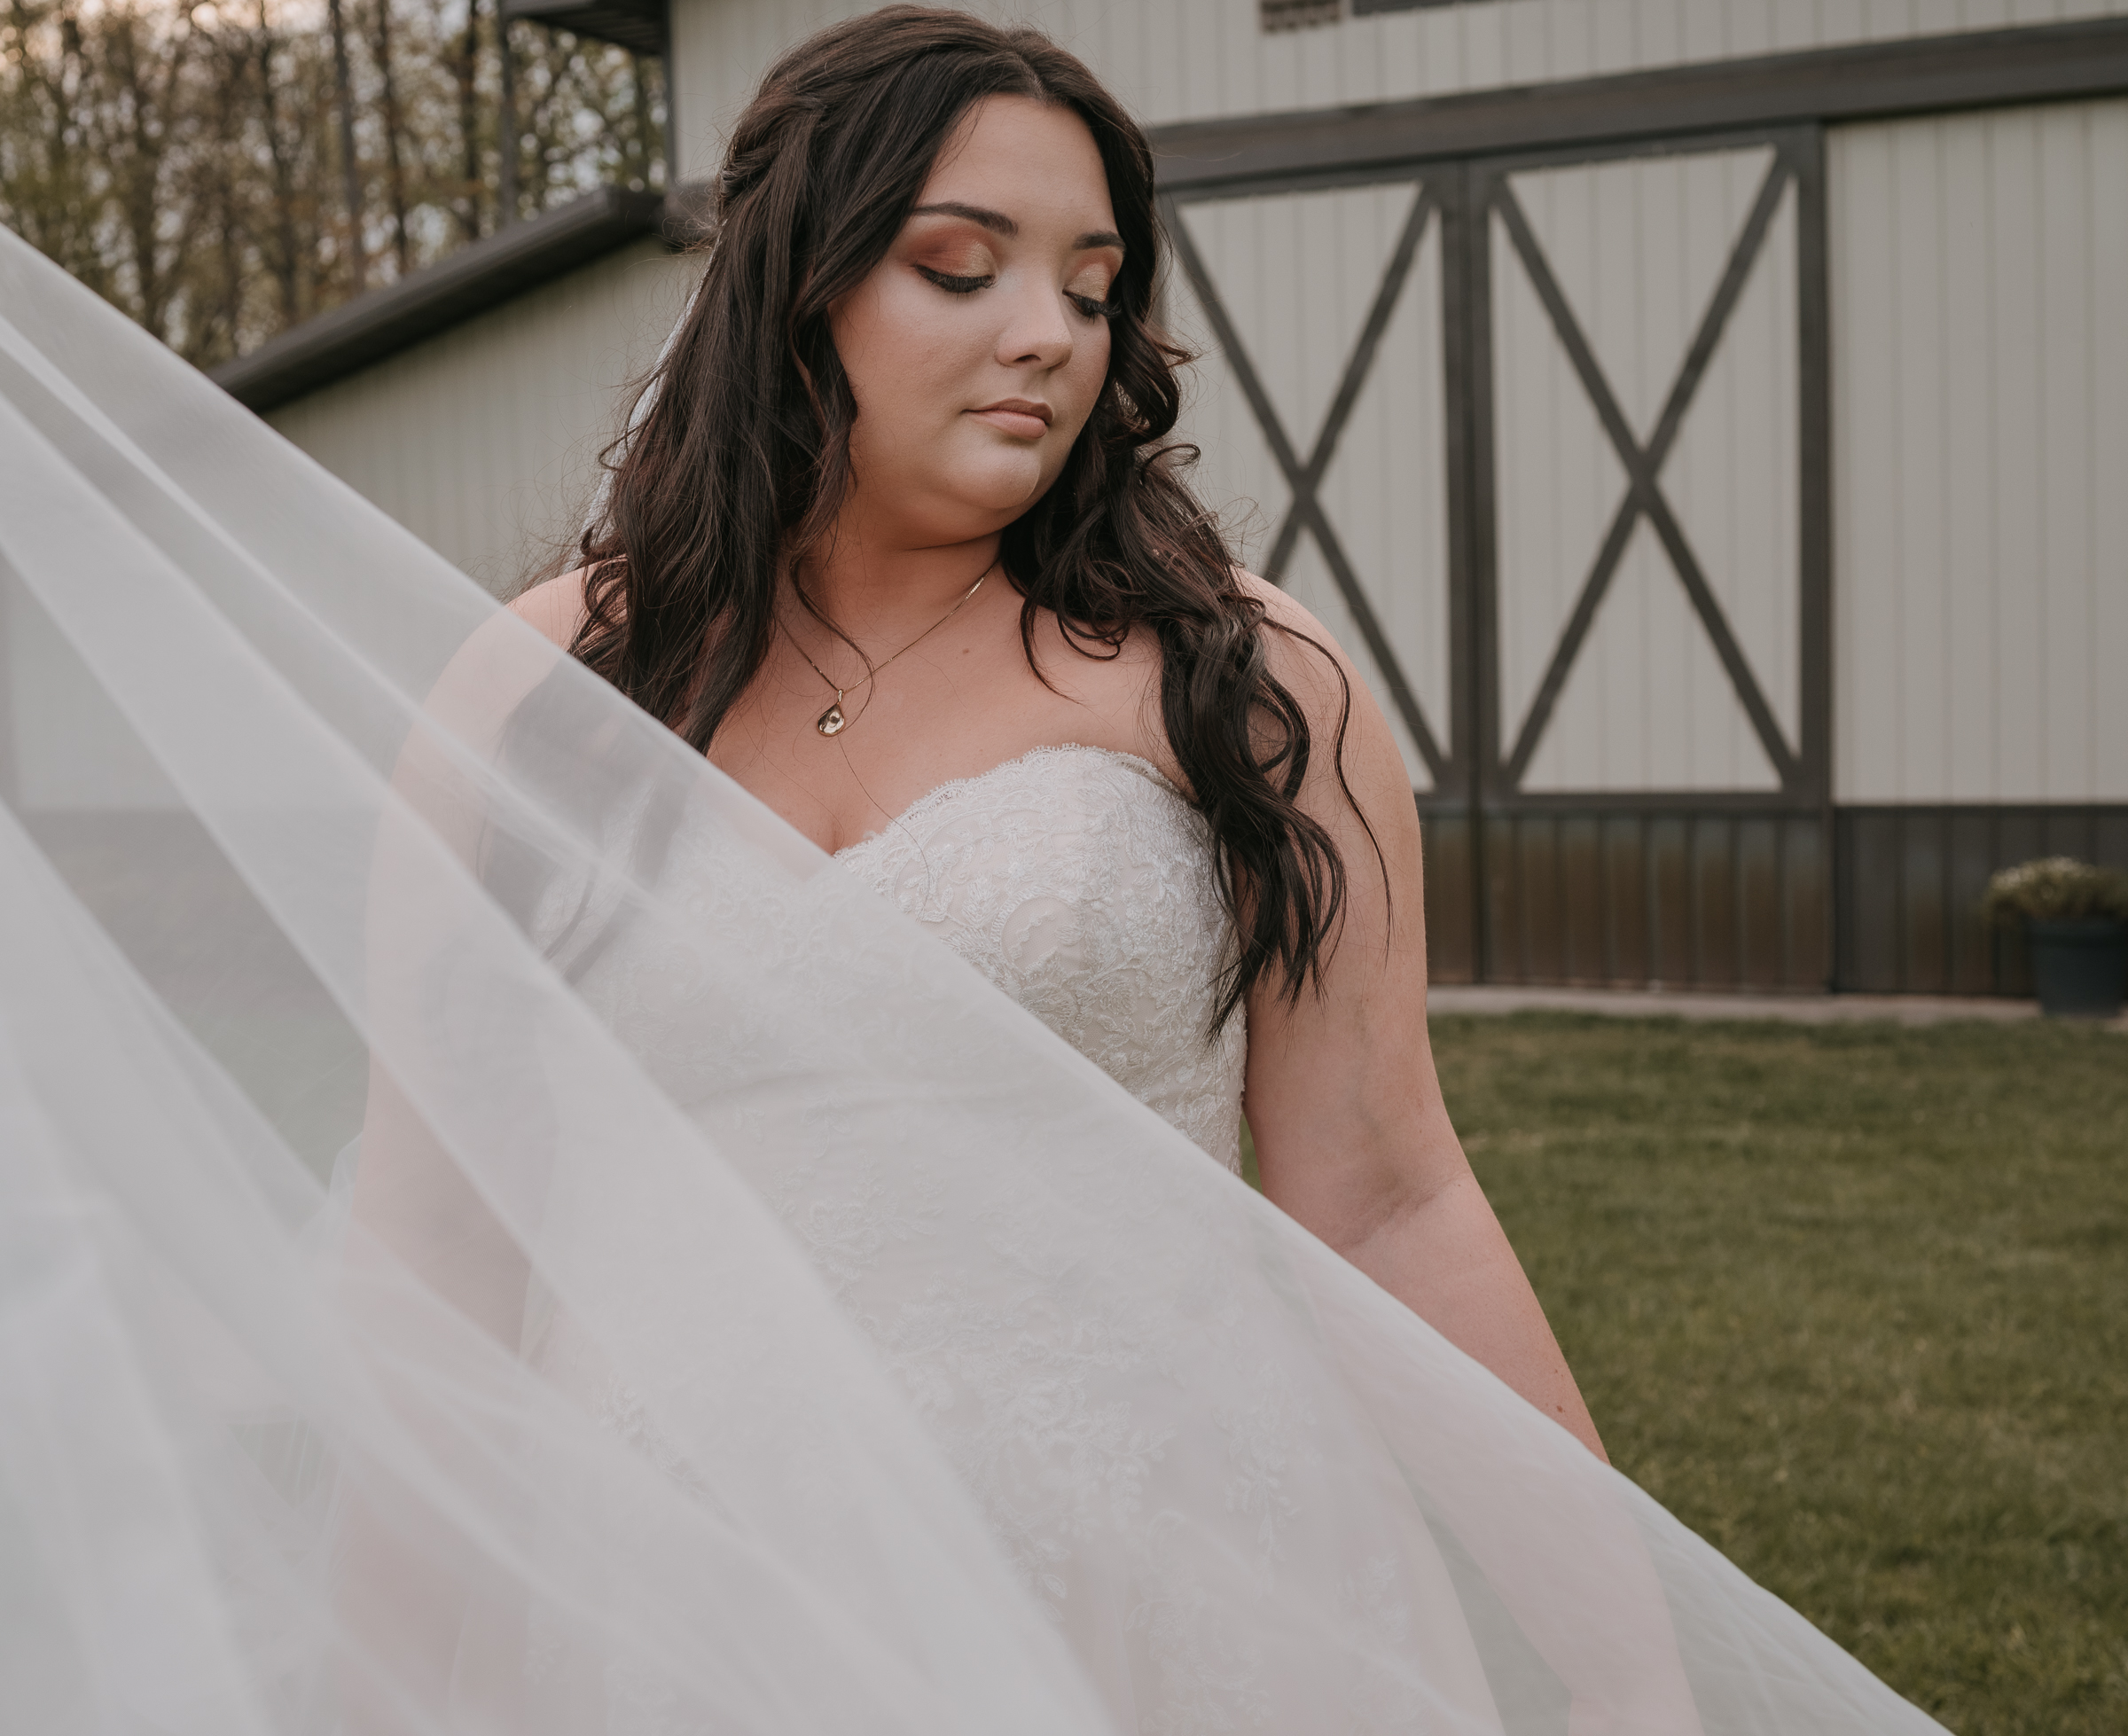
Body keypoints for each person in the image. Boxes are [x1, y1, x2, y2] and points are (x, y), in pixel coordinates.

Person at [0, 8, 1948, 1733]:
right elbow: (434, 1252)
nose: (1051, 334)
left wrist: (1621, 1666)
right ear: (800, 289)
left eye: (1093, 285)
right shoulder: (535, 691)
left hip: (1176, 1576)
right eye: (964, 265)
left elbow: (1387, 1193)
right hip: (680, 1599)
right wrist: (375, 1692)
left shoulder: (1241, 683)